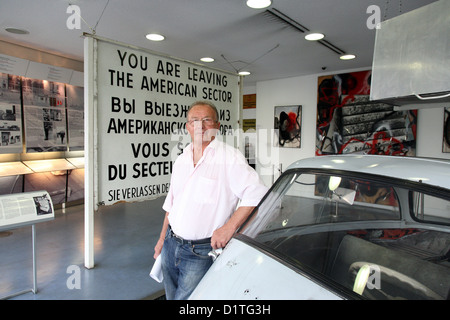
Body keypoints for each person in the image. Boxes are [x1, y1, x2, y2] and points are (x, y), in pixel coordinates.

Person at [153, 100, 268, 300]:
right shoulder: (181, 159)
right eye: (194, 121)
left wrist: (229, 227)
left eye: (206, 120)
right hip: (171, 244)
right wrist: (162, 238)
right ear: (187, 126)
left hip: (200, 251)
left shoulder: (229, 157)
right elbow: (172, 203)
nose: (200, 126)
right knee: (171, 296)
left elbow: (257, 193)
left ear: (217, 126)